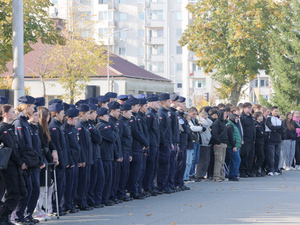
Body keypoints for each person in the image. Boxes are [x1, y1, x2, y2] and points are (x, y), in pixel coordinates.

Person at [11, 96, 39, 225]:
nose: (34, 109)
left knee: (31, 189)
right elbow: (20, 145)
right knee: (24, 191)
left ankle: (23, 216)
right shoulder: (18, 122)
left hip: (29, 163)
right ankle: (17, 217)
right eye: (32, 106)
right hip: (23, 163)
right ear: (26, 106)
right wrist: (23, 162)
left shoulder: (25, 122)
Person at [0, 104, 27, 225]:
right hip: (8, 166)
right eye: (12, 112)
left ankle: (5, 218)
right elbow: (10, 148)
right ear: (6, 114)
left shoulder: (10, 127)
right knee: (14, 193)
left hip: (15, 165)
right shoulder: (2, 128)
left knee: (18, 192)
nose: (15, 114)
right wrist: (20, 162)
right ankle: (3, 217)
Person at [35, 106, 58, 221]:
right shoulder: (38, 128)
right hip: (42, 161)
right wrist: (51, 159)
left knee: (45, 188)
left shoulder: (45, 128)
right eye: (47, 115)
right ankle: (38, 211)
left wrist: (54, 152)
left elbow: (49, 143)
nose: (49, 117)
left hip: (47, 161)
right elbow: (44, 146)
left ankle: (42, 210)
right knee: (40, 189)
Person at [48, 102, 69, 216]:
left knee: (61, 185)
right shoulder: (53, 127)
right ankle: (54, 208)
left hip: (62, 160)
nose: (64, 115)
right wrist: (60, 161)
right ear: (56, 114)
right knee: (56, 186)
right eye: (62, 113)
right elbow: (57, 147)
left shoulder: (58, 125)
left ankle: (58, 207)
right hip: (58, 162)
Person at [126, 97, 149, 199]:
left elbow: (142, 132)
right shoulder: (132, 118)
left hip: (139, 146)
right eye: (136, 106)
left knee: (139, 171)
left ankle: (138, 189)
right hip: (135, 146)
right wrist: (145, 142)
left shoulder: (136, 117)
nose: (138, 108)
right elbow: (136, 133)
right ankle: (133, 191)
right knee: (135, 171)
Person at [61, 108, 81, 213]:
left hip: (75, 160)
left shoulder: (74, 129)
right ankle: (65, 205)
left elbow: (77, 145)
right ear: (69, 118)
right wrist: (69, 161)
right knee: (68, 184)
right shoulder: (64, 129)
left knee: (73, 184)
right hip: (70, 160)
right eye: (76, 119)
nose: (77, 121)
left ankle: (70, 203)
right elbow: (66, 147)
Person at [75, 103, 93, 211]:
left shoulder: (85, 125)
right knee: (82, 182)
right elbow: (80, 145)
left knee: (87, 181)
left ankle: (84, 200)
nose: (89, 115)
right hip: (84, 158)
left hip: (88, 158)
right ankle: (80, 202)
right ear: (81, 115)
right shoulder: (80, 126)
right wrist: (82, 159)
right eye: (87, 113)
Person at [96, 107, 116, 206]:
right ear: (101, 116)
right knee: (105, 179)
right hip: (105, 155)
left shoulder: (106, 125)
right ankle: (103, 198)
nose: (108, 117)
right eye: (106, 115)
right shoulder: (102, 126)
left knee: (109, 178)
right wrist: (113, 130)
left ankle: (106, 197)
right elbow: (113, 138)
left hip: (108, 155)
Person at [87, 103, 105, 208]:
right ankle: (91, 200)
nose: (96, 115)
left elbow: (99, 139)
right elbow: (98, 139)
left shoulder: (92, 125)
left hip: (97, 154)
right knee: (93, 179)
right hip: (92, 155)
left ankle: (97, 199)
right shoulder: (88, 125)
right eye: (94, 113)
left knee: (100, 178)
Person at [143, 94, 161, 196]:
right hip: (151, 143)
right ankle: (147, 187)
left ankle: (151, 186)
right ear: (151, 103)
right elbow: (146, 130)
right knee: (150, 166)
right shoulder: (149, 114)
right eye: (157, 102)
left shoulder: (155, 114)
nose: (159, 104)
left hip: (156, 143)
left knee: (154, 166)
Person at [117, 103, 133, 201]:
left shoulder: (127, 122)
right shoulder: (120, 122)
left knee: (126, 173)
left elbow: (129, 138)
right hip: (123, 150)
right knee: (122, 173)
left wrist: (130, 152)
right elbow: (120, 139)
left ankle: (122, 192)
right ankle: (120, 193)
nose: (131, 114)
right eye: (130, 112)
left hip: (127, 150)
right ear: (124, 112)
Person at [157, 93, 173, 193]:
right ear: (163, 102)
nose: (170, 102)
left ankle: (165, 184)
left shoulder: (166, 112)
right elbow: (161, 130)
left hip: (167, 142)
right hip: (163, 144)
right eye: (168, 101)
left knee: (167, 165)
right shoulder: (161, 113)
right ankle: (161, 185)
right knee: (163, 165)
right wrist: (164, 143)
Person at [107, 101, 123, 204]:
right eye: (118, 111)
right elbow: (113, 140)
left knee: (116, 176)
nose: (119, 113)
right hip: (111, 154)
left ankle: (114, 194)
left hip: (117, 152)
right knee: (111, 178)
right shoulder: (109, 122)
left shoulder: (116, 121)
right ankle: (111, 195)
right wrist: (117, 154)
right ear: (112, 111)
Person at [136, 98, 150, 197]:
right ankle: (137, 189)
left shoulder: (142, 117)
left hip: (144, 146)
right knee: (138, 170)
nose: (147, 107)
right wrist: (145, 143)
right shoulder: (138, 118)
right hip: (140, 146)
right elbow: (138, 133)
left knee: (142, 170)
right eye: (145, 106)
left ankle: (140, 188)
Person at [210, 109, 228, 182]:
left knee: (222, 161)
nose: (226, 115)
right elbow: (214, 133)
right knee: (218, 160)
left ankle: (221, 175)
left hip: (223, 143)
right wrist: (218, 142)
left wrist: (225, 142)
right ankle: (216, 176)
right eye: (225, 114)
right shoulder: (217, 122)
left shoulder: (224, 123)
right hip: (219, 143)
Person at [265, 106, 283, 176]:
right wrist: (276, 128)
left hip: (278, 139)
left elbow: (282, 129)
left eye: (277, 111)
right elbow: (271, 127)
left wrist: (275, 128)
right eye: (275, 111)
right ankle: (270, 170)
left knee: (277, 155)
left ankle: (276, 169)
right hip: (271, 139)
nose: (276, 112)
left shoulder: (279, 120)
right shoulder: (268, 119)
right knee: (271, 155)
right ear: (271, 111)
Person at [239, 102, 256, 178]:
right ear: (244, 108)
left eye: (250, 107)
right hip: (245, 139)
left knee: (251, 156)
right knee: (244, 155)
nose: (250, 109)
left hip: (251, 140)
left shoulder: (251, 117)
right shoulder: (242, 117)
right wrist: (242, 139)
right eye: (248, 107)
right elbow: (241, 129)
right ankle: (243, 171)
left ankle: (248, 170)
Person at [188, 107, 203, 181]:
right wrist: (200, 128)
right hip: (193, 141)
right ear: (189, 113)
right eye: (193, 114)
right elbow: (193, 128)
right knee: (192, 159)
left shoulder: (196, 120)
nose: (194, 115)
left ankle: (193, 173)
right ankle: (190, 174)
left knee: (196, 158)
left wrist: (199, 128)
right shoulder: (189, 120)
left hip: (197, 140)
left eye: (196, 114)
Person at [168, 94, 180, 192]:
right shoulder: (170, 113)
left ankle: (171, 183)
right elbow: (170, 130)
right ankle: (169, 183)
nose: (178, 103)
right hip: (171, 142)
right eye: (176, 101)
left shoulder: (174, 113)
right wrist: (172, 142)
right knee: (170, 164)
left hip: (174, 142)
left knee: (173, 164)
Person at [196, 111, 213, 180]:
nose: (206, 119)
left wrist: (206, 118)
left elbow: (210, 122)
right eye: (205, 118)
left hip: (207, 143)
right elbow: (206, 123)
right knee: (202, 160)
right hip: (203, 143)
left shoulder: (206, 122)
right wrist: (201, 118)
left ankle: (202, 174)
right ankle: (199, 174)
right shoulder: (201, 122)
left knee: (206, 160)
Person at [226, 113, 242, 181]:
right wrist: (233, 146)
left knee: (233, 161)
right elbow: (230, 137)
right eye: (236, 118)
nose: (237, 120)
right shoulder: (230, 125)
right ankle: (235, 174)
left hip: (235, 146)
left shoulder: (234, 125)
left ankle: (231, 175)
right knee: (237, 160)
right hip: (232, 146)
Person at [183, 114, 196, 182]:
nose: (189, 121)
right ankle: (184, 176)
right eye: (188, 119)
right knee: (186, 162)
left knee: (190, 162)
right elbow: (190, 136)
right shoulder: (186, 127)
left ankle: (187, 176)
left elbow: (194, 136)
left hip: (191, 146)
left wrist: (192, 135)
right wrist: (192, 135)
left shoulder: (189, 126)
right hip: (187, 145)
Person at [253, 112, 265, 177]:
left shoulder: (261, 124)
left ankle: (257, 169)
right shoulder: (255, 124)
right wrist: (262, 133)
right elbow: (259, 133)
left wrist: (262, 133)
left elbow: (263, 133)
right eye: (260, 116)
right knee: (260, 157)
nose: (261, 117)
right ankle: (256, 169)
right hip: (258, 142)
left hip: (261, 142)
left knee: (261, 157)